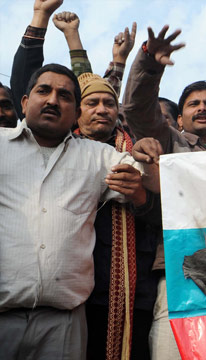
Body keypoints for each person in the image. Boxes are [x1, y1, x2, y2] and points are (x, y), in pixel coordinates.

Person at [0, 63, 153, 360]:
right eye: (44, 91)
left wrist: (147, 151)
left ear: (75, 112)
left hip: (65, 324)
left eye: (65, 96)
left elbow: (150, 176)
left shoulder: (97, 157)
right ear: (24, 102)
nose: (53, 100)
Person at [122, 24, 206, 360]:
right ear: (179, 119)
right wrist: (149, 65)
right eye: (193, 104)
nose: (202, 108)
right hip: (181, 274)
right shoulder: (170, 144)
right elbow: (135, 109)